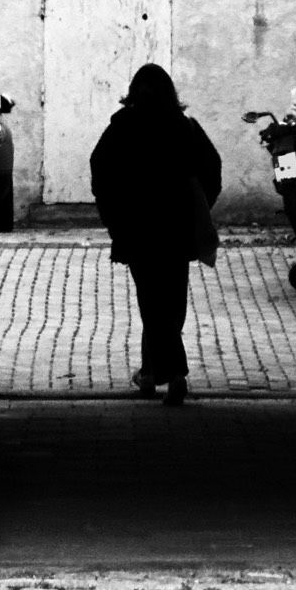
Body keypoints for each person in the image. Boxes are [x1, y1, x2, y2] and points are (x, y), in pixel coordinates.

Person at [89, 63, 222, 406]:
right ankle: (153, 374)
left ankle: (172, 374)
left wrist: (114, 219)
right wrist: (199, 207)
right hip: (175, 229)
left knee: (152, 303)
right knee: (171, 304)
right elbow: (212, 169)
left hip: (138, 230)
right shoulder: (183, 128)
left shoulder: (121, 129)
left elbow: (100, 174)